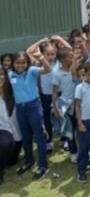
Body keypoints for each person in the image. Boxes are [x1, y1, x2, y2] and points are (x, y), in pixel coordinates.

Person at [6, 42, 51, 180]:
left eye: (23, 63)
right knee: (26, 137)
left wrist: (41, 57)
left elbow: (47, 69)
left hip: (33, 107)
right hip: (20, 109)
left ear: (27, 63)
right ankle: (29, 161)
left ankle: (43, 165)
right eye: (17, 63)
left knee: (39, 136)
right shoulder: (10, 74)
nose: (20, 65)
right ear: (13, 63)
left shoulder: (31, 71)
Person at [0, 68, 21, 188]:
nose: (0, 77)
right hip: (2, 131)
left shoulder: (13, 92)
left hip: (15, 135)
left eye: (1, 74)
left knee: (11, 161)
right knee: (4, 143)